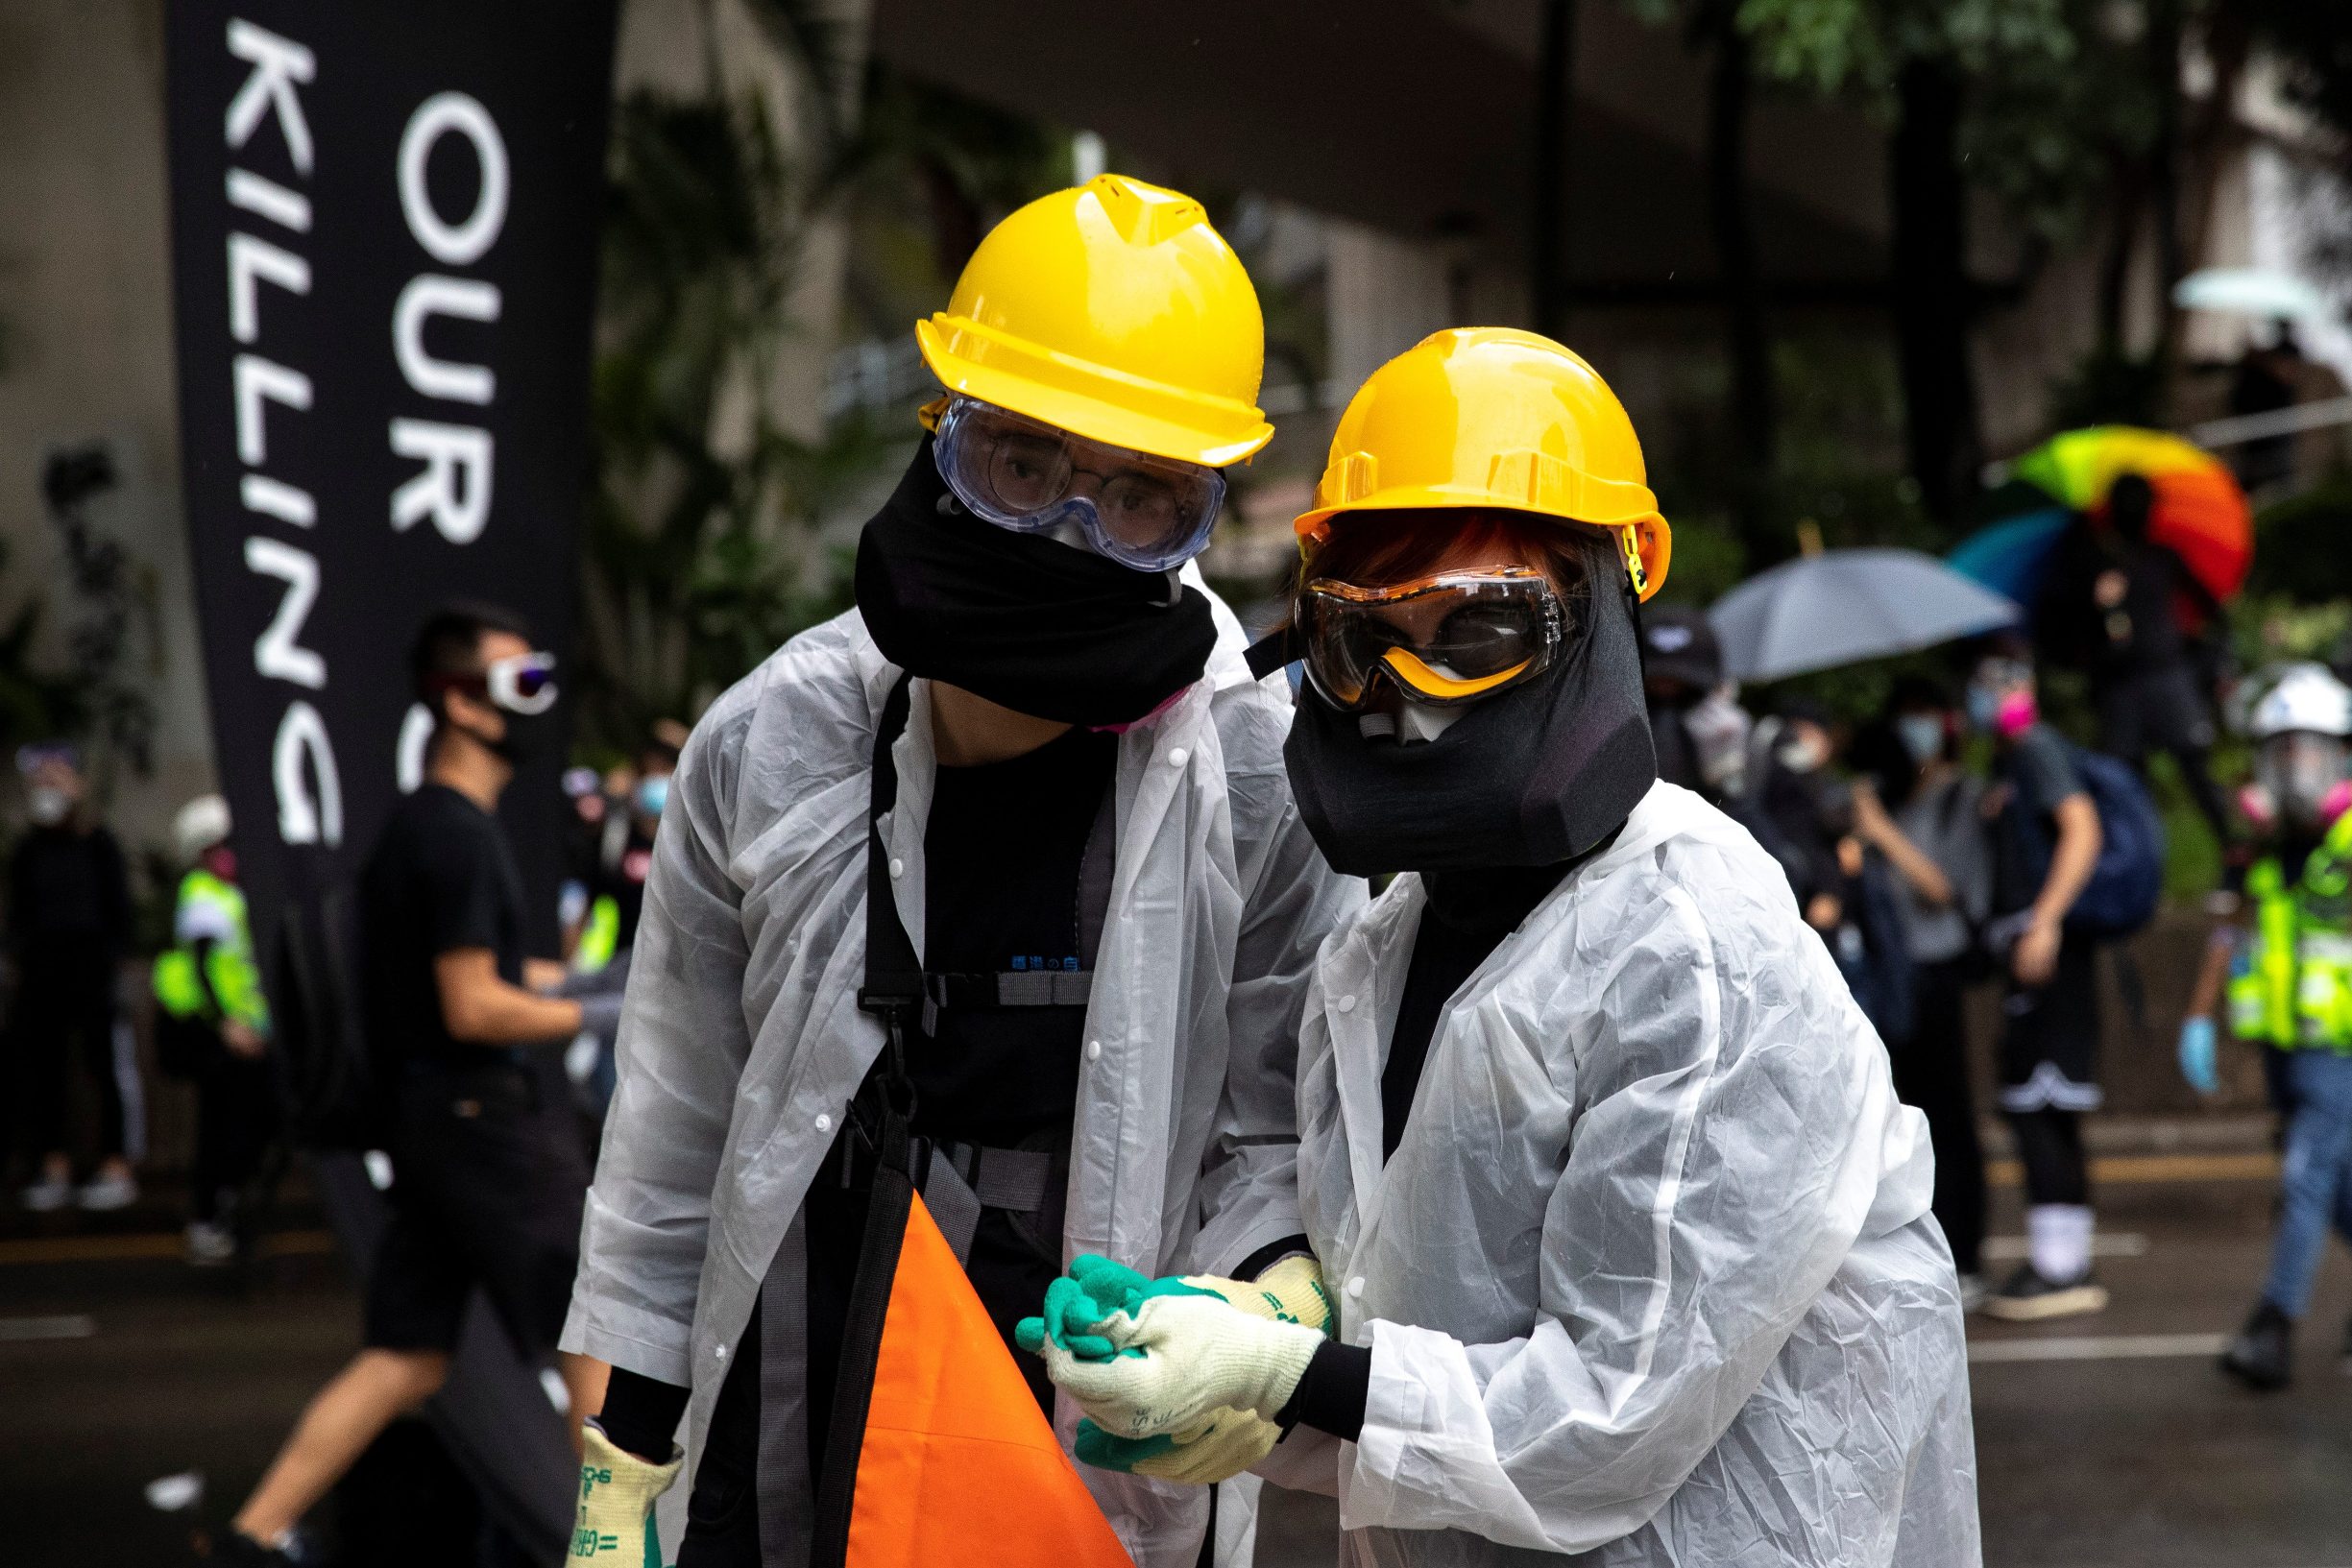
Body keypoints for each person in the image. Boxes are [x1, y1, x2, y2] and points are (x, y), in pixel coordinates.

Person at [1026, 329, 1977, 1565]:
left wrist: (1285, 1374)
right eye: (1360, 643)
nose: (1403, 696)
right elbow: (1411, 1323)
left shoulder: (1695, 954)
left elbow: (1603, 1418)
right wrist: (1261, 1320)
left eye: (1473, 632)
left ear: (1605, 599)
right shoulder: (1387, 938)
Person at [563, 174, 1358, 1568]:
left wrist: (1263, 1318)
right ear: (946, 440)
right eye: (1023, 466)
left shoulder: (1253, 778)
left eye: (1139, 499)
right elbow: (677, 1123)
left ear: (1197, 520)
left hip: (1081, 1427)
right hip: (794, 1407)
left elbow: (1284, 1131)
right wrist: (621, 1465)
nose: (1067, 525)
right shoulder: (776, 740)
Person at [217, 604, 617, 1564]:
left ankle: (251, 1537)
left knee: (407, 1353)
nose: (539, 702)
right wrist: (610, 1012)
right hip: (483, 1122)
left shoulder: (426, 825)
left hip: (430, 1125)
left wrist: (590, 980)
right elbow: (474, 1005)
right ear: (459, 702)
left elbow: (488, 975)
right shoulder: (455, 836)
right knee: (595, 1326)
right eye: (522, 684)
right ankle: (618, 1550)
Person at [2175, 663, 2352, 1388]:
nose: (2293, 767)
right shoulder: (2261, 847)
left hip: (2339, 1049)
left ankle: (2271, 1327)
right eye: (2280, 750)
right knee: (2337, 1189)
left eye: (2307, 749)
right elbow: (2229, 930)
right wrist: (2197, 1014)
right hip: (2284, 1046)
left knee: (2305, 1174)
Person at [1969, 651, 2109, 1320]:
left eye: (1996, 682)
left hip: (2046, 950)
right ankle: (2060, 1257)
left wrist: (2044, 921)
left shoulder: (2035, 747)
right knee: (2041, 1104)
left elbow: (2082, 828)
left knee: (2039, 1104)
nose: (1985, 696)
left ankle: (2060, 1267)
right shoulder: (2012, 758)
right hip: (2037, 946)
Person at [1852, 678, 1995, 1303]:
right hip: (1889, 975)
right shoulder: (1889, 792)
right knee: (1890, 1117)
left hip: (1936, 973)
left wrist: (1879, 832)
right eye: (1904, 717)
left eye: (1925, 717)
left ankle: (1965, 1253)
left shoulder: (1962, 797)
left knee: (1948, 1114)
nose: (1916, 731)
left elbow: (1943, 887)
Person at [2045, 472, 2234, 856]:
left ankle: (2236, 855)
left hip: (2166, 677)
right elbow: (2063, 623)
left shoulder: (2161, 557)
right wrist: (2094, 599)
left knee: (2197, 771)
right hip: (2120, 687)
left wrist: (2210, 659)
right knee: (2126, 783)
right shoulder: (2093, 562)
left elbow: (2211, 610)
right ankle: (2139, 863)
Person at [10, 742, 136, 1213]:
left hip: (91, 972)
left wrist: (112, 963)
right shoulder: (28, 851)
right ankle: (53, 1165)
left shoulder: (97, 843)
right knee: (44, 1072)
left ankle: (115, 1164)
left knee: (105, 1068)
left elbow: (119, 910)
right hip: (42, 975)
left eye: (56, 779)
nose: (47, 790)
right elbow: (19, 914)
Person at [152, 794, 275, 1266]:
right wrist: (229, 1025)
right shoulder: (204, 893)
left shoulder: (236, 891)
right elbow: (204, 967)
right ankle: (209, 1218)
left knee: (245, 1125)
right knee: (219, 1128)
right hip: (215, 1036)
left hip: (244, 1033)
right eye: (221, 844)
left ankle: (229, 1210)